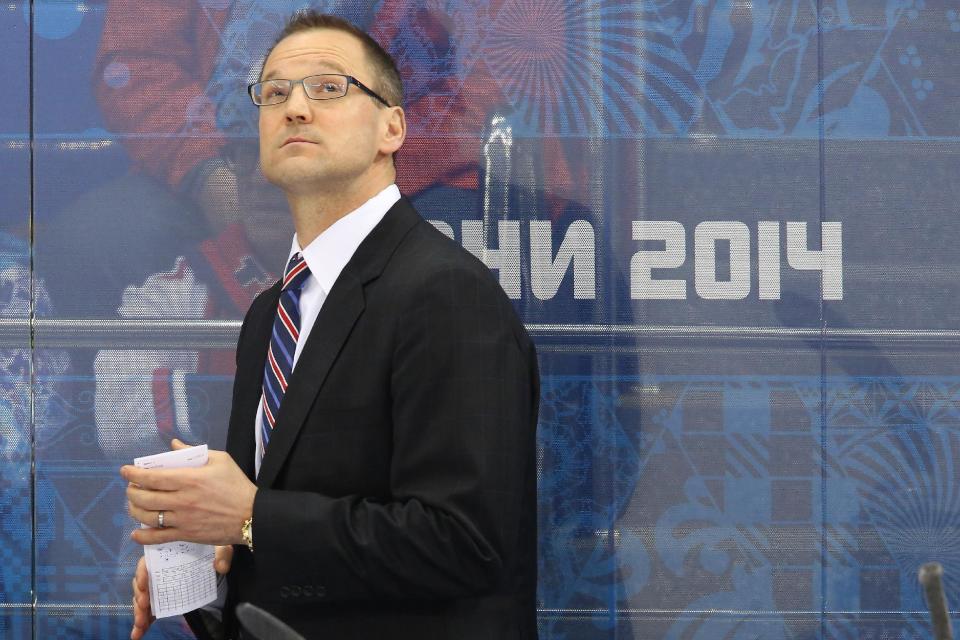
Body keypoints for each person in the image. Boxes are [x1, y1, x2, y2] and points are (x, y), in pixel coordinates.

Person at [122, 11, 539, 640]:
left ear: (392, 127)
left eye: (329, 88)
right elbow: (271, 543)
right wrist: (202, 567)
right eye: (275, 92)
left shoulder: (446, 293)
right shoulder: (270, 314)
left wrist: (249, 516)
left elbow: (466, 542)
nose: (294, 108)